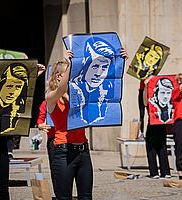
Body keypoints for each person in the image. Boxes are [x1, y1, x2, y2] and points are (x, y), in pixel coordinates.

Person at [47, 46, 128, 199]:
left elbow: (104, 81)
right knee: (64, 197)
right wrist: (71, 65)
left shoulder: (81, 94)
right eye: (71, 72)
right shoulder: (51, 97)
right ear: (59, 76)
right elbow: (61, 90)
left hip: (83, 151)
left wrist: (119, 60)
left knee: (86, 197)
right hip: (63, 152)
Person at [0, 62, 45, 200]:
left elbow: (24, 88)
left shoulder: (4, 98)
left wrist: (35, 73)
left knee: (3, 185)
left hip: (0, 141)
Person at [70, 38, 128, 128]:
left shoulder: (107, 90)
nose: (98, 73)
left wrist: (121, 60)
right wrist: (69, 63)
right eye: (95, 66)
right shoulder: (73, 87)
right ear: (85, 64)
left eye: (104, 68)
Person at [0, 63, 29, 134]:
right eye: (9, 86)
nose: (13, 92)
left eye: (18, 87)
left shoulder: (18, 108)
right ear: (0, 85)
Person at [143, 77, 171, 179]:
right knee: (151, 150)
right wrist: (146, 86)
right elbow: (145, 102)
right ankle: (154, 172)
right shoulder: (152, 100)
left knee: (162, 149)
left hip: (162, 126)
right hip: (152, 125)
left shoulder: (167, 101)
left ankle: (165, 172)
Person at [37, 100, 56, 195]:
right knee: (55, 170)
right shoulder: (46, 103)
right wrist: (41, 125)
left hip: (71, 139)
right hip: (54, 139)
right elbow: (40, 119)